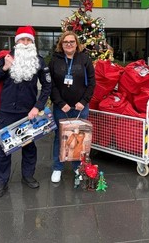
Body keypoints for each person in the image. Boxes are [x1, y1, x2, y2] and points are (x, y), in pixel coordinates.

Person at [0, 26, 52, 198]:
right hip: (7, 111)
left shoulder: (38, 60)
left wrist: (37, 107)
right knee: (3, 149)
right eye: (22, 40)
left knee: (29, 147)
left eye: (28, 40)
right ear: (17, 42)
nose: (25, 43)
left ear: (32, 42)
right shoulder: (6, 58)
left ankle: (28, 175)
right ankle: (1, 182)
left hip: (28, 112)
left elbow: (47, 86)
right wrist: (5, 68)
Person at [48, 31, 95, 183]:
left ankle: (77, 167)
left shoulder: (84, 59)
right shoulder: (55, 60)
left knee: (79, 137)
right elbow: (51, 85)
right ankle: (57, 168)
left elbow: (92, 82)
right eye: (65, 42)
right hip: (61, 108)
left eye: (72, 41)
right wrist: (61, 103)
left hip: (81, 107)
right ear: (61, 45)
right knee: (59, 138)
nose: (69, 44)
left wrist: (84, 101)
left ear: (76, 44)